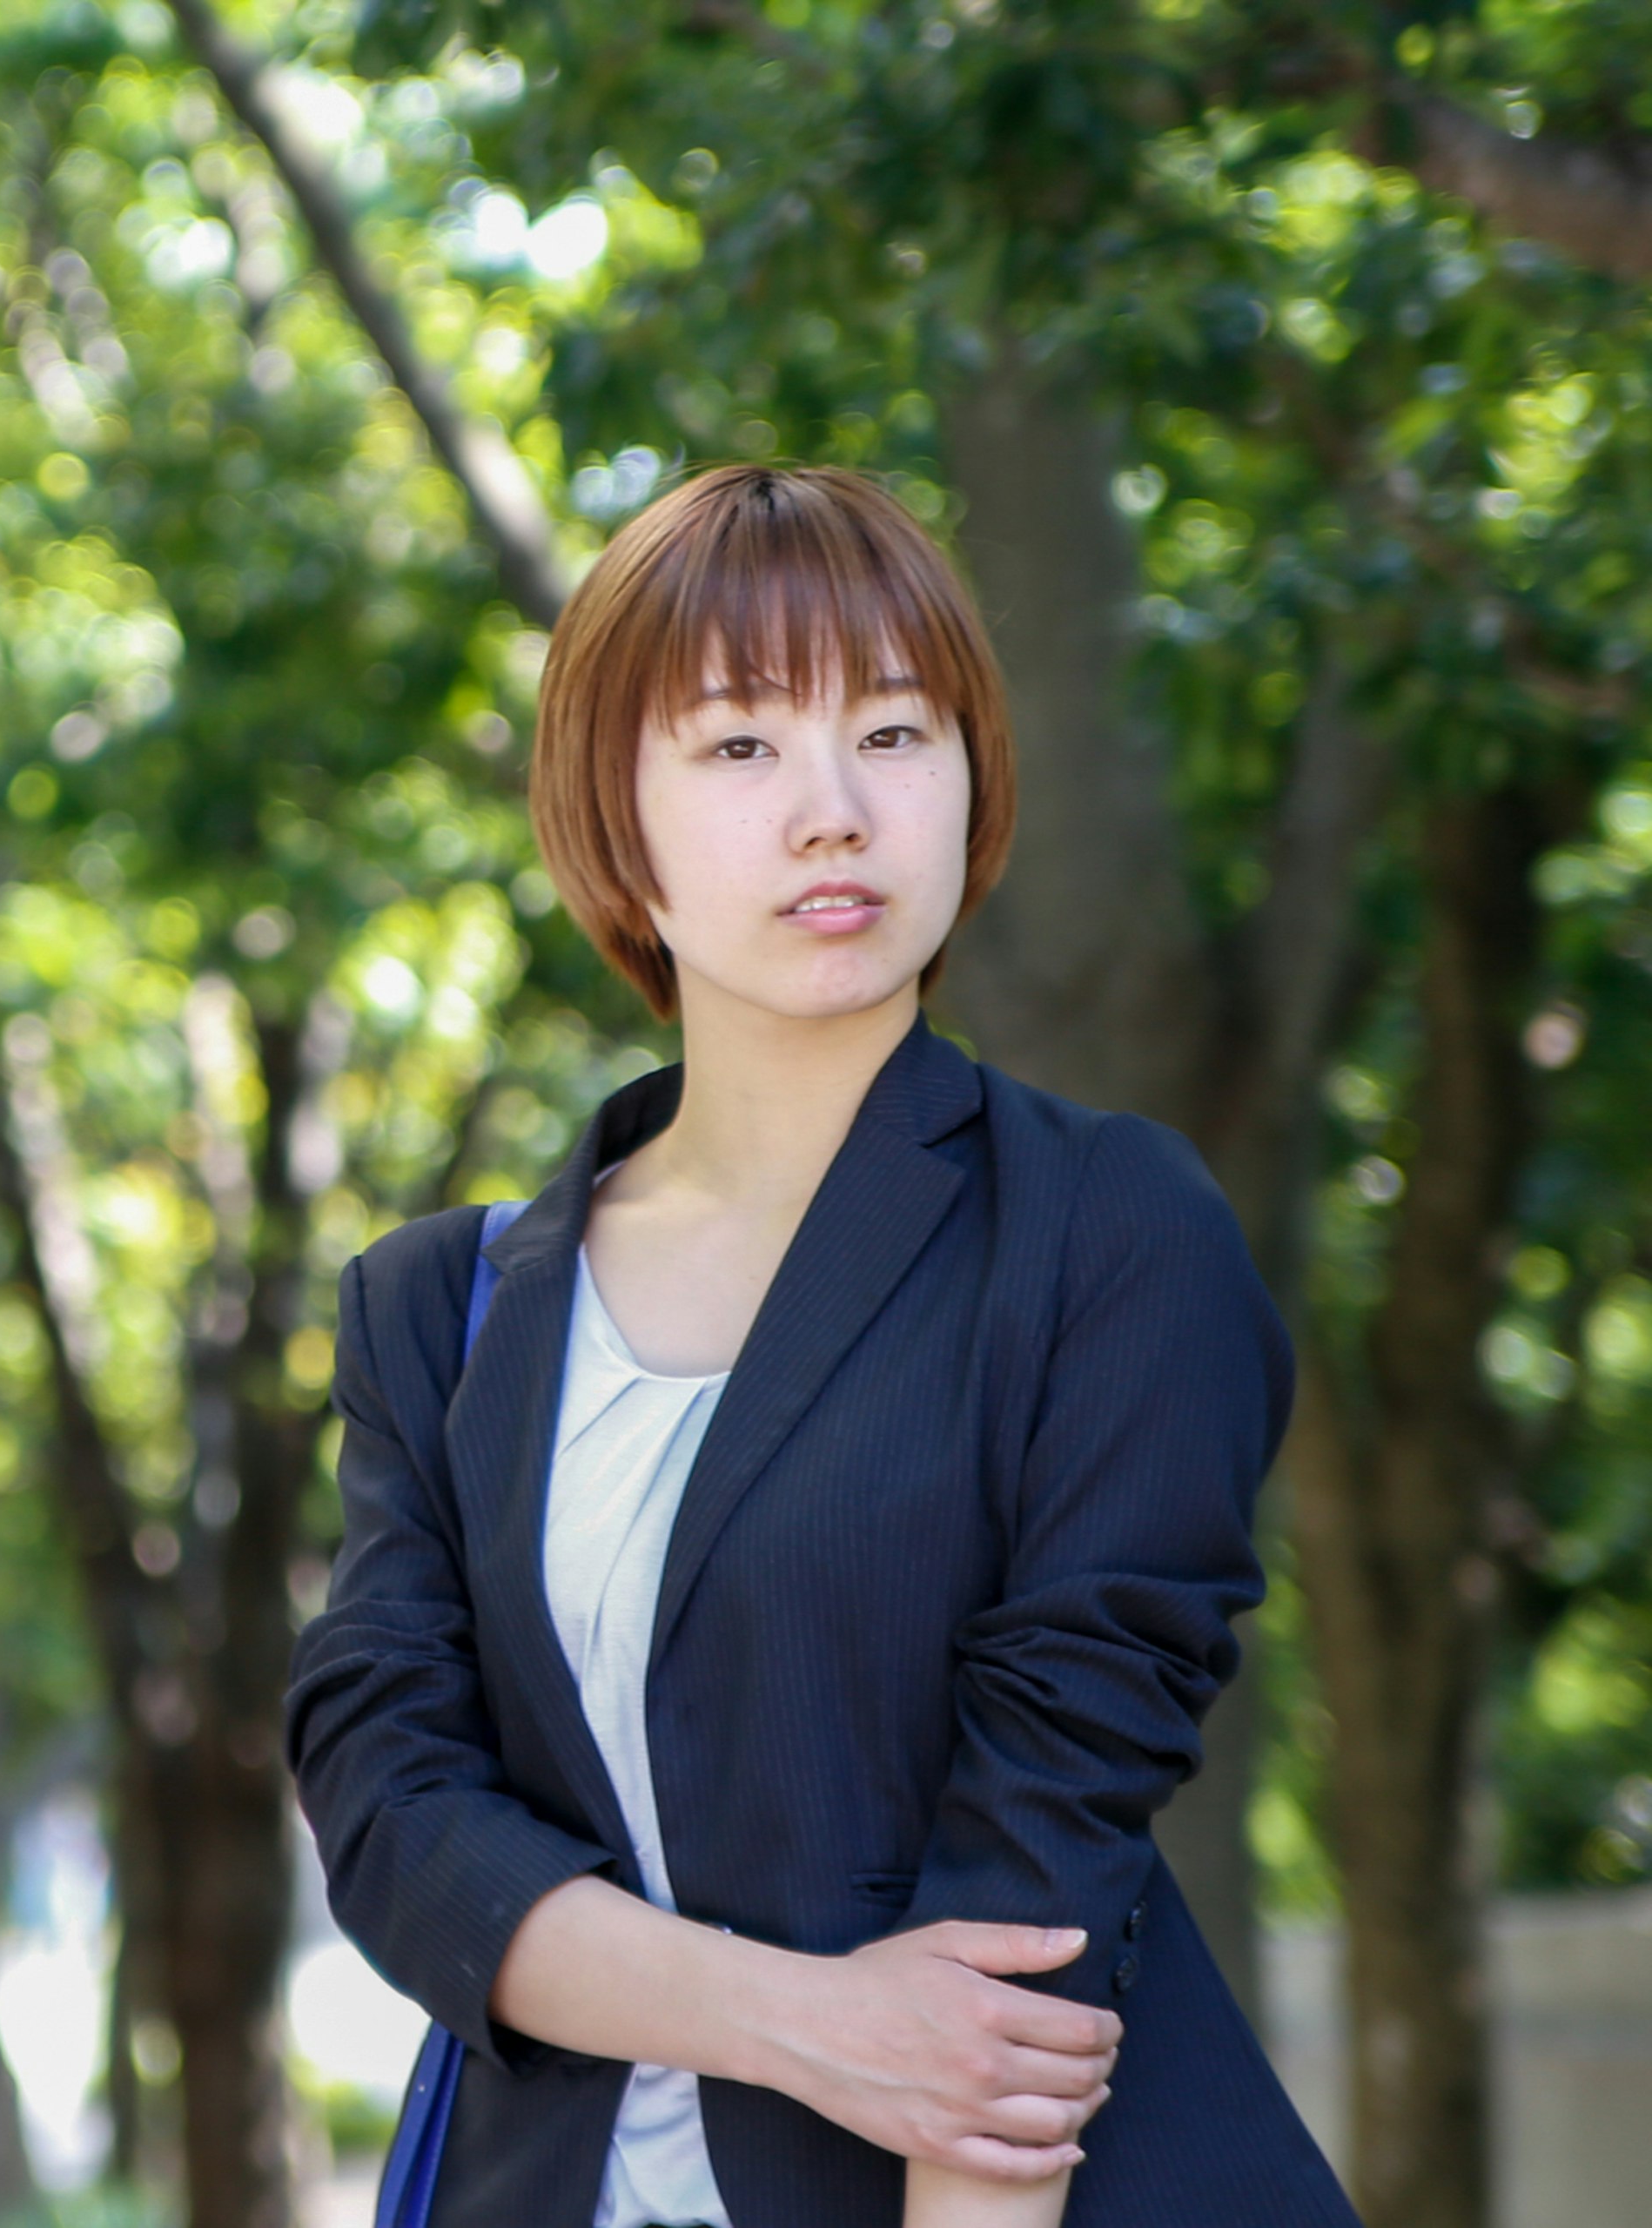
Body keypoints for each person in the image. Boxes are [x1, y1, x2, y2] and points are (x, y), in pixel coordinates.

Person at [287, 464, 1359, 2228]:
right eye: (738, 746)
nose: (833, 811)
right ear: (613, 823)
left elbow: (1035, 1893)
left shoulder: (1105, 1229)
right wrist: (808, 2021)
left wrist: (891, 2059)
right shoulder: (443, 1308)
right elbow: (398, 1814)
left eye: (894, 731)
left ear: (971, 778)